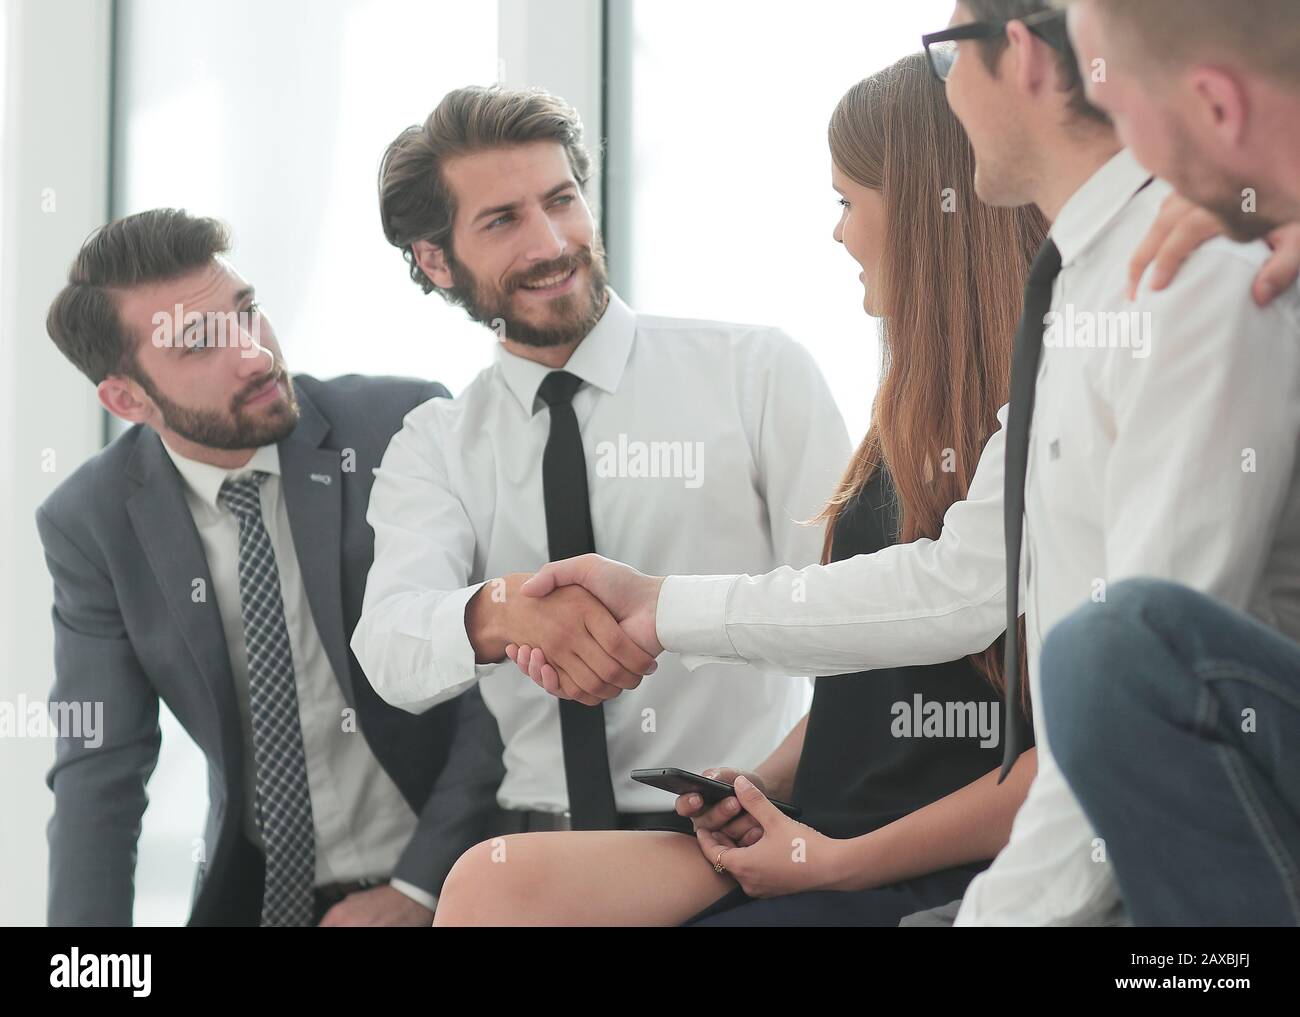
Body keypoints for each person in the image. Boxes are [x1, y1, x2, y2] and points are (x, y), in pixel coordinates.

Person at [511, 0, 1300, 925]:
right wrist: (665, 606)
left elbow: (1133, 695)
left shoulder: (1189, 268)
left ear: (1022, 59)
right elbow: (961, 582)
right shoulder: (1080, 291)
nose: (945, 93)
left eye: (945, 54)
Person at [433, 54, 1046, 926]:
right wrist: (758, 782)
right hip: (818, 826)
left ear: (917, 210)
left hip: (916, 855)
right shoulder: (902, 425)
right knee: (490, 881)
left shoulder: (1041, 415)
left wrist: (834, 863)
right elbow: (861, 690)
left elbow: (1060, 762)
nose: (837, 235)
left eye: (846, 201)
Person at [350, 87, 851, 863]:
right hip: (534, 858)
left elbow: (853, 610)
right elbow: (387, 647)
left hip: (743, 835)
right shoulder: (437, 443)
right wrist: (505, 610)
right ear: (435, 257)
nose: (551, 243)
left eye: (562, 200)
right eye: (502, 219)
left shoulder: (755, 373)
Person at [39, 209, 505, 926]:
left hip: (465, 876)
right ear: (126, 398)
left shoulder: (397, 427)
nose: (254, 355)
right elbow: (99, 772)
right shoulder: (92, 522)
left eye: (247, 312)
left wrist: (417, 890)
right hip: (262, 903)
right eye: (199, 344)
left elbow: (500, 681)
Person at [1027, 0, 1300, 925]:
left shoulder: (1213, 276)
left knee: (1117, 645)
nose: (1113, 135)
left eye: (1114, 96)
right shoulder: (1236, 249)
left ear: (1217, 107)